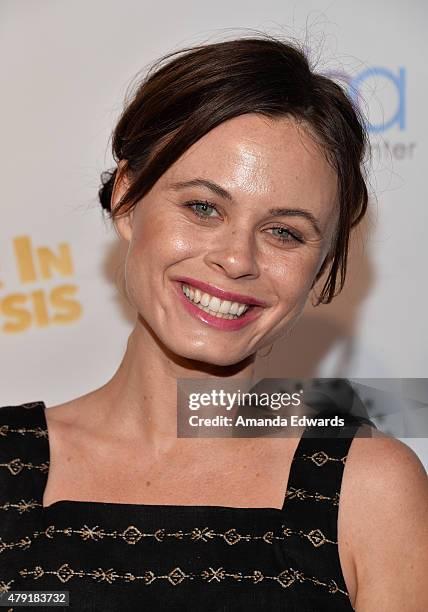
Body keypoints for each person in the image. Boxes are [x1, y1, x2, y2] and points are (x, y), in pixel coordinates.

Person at [1, 35, 427, 612]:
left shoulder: (371, 491)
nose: (237, 259)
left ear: (322, 267)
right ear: (127, 198)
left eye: (285, 232)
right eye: (203, 207)